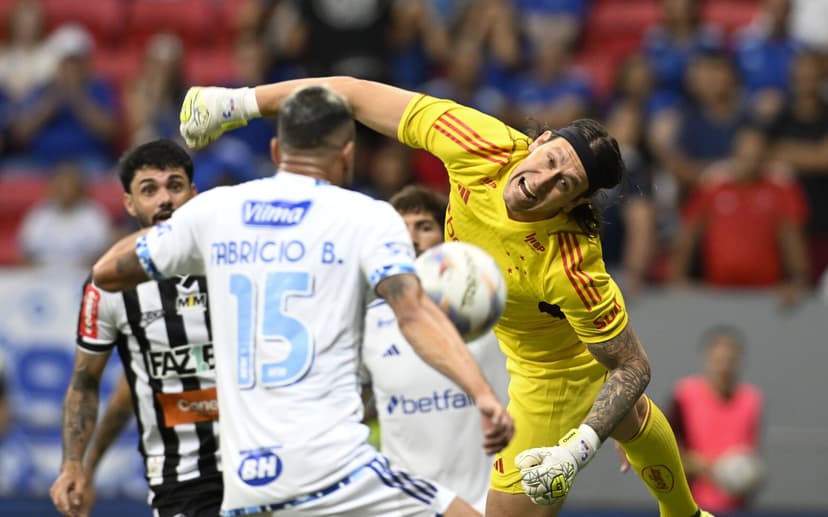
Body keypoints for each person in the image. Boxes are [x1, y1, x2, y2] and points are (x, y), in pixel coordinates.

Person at [177, 77, 715, 517]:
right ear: (540, 139)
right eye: (550, 160)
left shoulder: (571, 264)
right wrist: (240, 102)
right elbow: (355, 94)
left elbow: (632, 366)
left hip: (552, 375)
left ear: (576, 203)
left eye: (564, 185)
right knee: (626, 414)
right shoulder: (480, 144)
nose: (542, 182)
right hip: (512, 337)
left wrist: (576, 448)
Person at [92, 85, 513, 517]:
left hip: (245, 487)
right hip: (333, 470)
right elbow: (413, 311)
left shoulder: (216, 210)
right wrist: (481, 392)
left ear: (276, 150)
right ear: (347, 155)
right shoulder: (366, 217)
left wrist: (185, 232)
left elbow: (107, 271)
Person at [50, 139, 223, 517]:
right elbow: (88, 382)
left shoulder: (233, 262)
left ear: (194, 195)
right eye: (150, 190)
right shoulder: (107, 286)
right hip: (184, 481)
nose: (165, 199)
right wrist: (78, 464)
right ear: (129, 204)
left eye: (175, 186)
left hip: (262, 466)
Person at [361, 185, 510, 514]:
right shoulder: (368, 321)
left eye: (424, 227)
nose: (410, 238)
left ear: (448, 238)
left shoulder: (491, 310)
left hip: (487, 503)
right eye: (401, 228)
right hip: (404, 506)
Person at [667, 326, 764, 514]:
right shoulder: (684, 394)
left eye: (730, 360)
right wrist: (700, 466)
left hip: (738, 506)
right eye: (718, 360)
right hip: (692, 505)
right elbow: (667, 447)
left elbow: (751, 451)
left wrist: (746, 473)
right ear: (707, 359)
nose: (724, 366)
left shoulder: (752, 399)